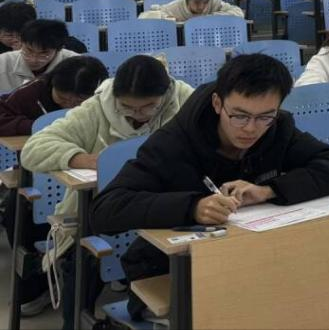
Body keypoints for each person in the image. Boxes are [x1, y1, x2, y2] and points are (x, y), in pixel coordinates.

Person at [91, 54, 329, 320]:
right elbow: (105, 210)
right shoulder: (173, 142)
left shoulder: (278, 129)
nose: (251, 129)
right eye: (239, 116)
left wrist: (269, 190)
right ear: (218, 103)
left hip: (248, 262)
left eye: (265, 116)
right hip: (169, 271)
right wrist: (192, 207)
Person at [21, 55, 193, 324]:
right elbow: (33, 149)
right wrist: (86, 159)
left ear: (166, 94)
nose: (138, 115)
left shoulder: (184, 100)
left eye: (149, 107)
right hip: (103, 210)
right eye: (127, 107)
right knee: (84, 259)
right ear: (116, 96)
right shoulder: (96, 108)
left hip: (165, 209)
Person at [0, 55, 108, 315]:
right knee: (18, 206)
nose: (70, 105)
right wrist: (38, 127)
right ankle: (36, 283)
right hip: (44, 176)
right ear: (51, 84)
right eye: (63, 98)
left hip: (90, 184)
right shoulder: (33, 92)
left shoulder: (106, 104)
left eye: (78, 101)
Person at [0, 19, 79, 93]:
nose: (34, 59)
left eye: (44, 53)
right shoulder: (3, 62)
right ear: (22, 42)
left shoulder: (76, 65)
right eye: (29, 50)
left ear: (59, 49)